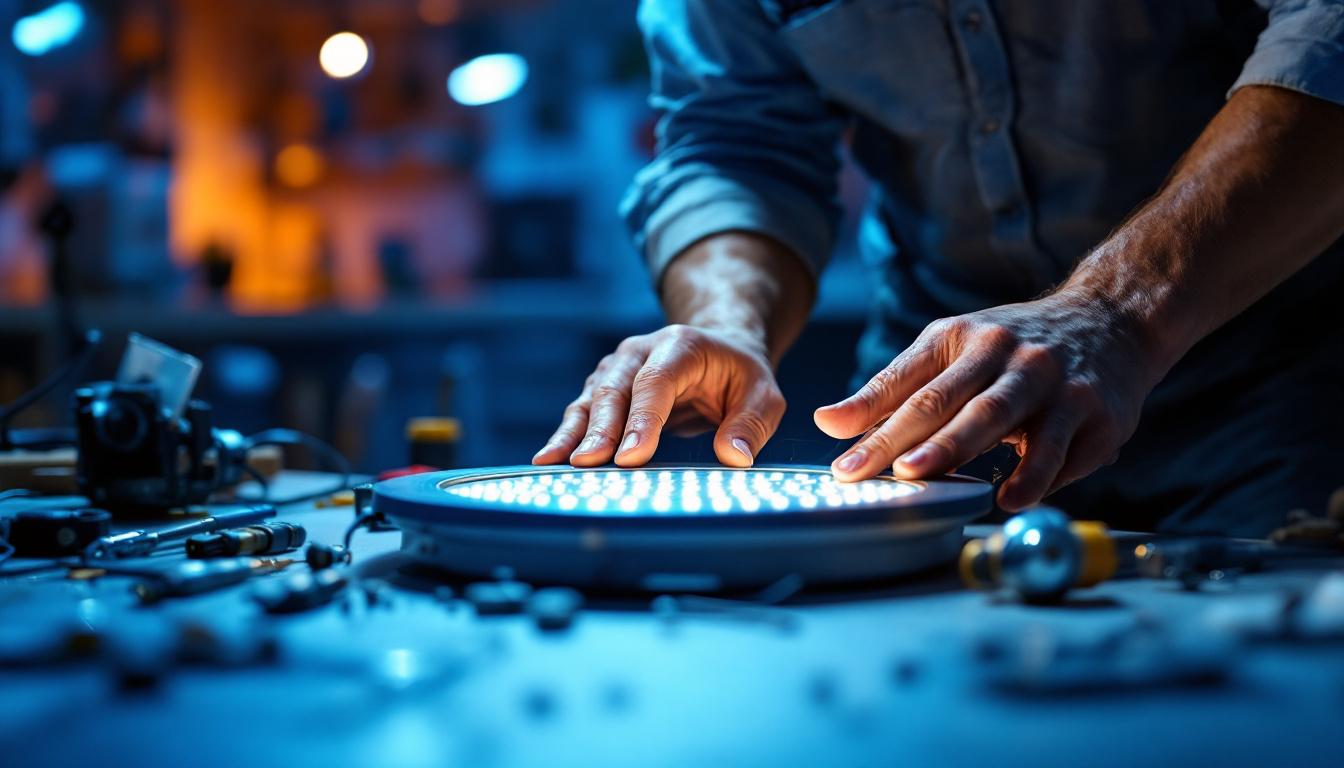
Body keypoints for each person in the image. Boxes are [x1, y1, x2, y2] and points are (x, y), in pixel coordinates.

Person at [535, 0, 1344, 536]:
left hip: (1282, 403)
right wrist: (726, 322)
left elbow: (1327, 34)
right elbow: (738, 142)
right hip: (939, 431)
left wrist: (1115, 315)